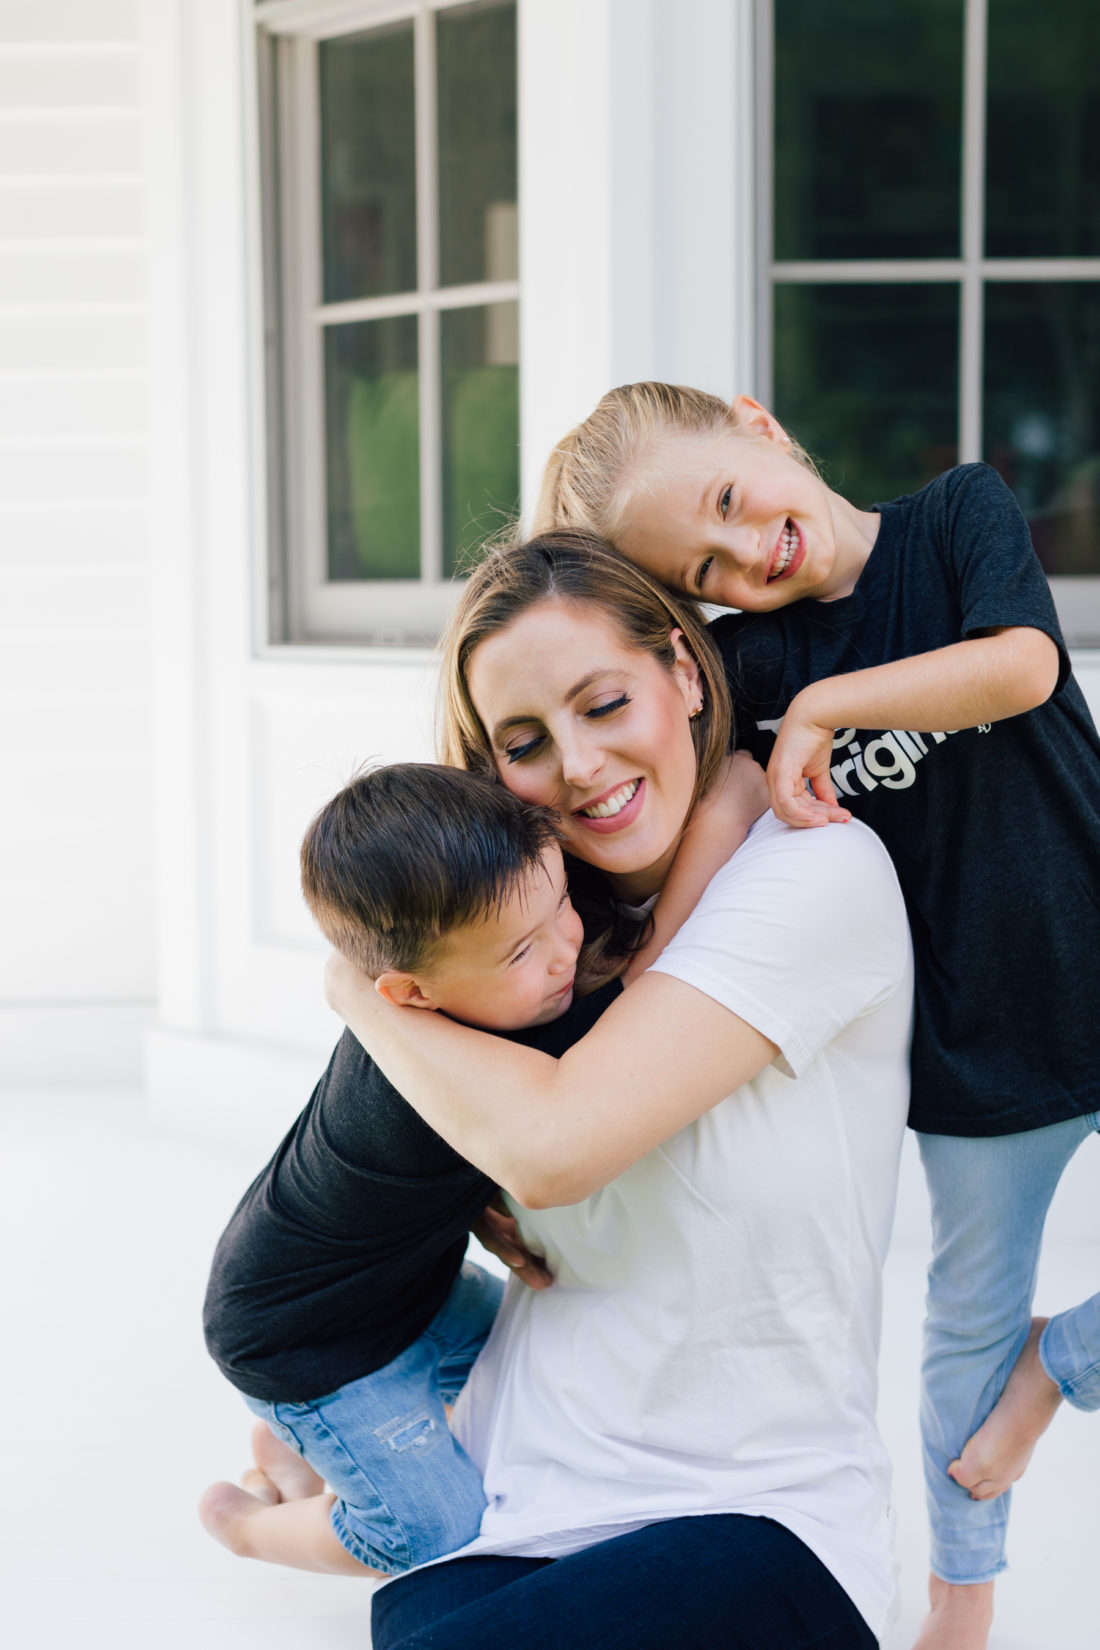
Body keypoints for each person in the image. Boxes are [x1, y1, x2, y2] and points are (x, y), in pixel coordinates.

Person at [533, 381, 1100, 1650]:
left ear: (758, 424)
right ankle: (961, 1602)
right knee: (961, 1322)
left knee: (1008, 1346)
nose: (747, 554)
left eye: (730, 502)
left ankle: (1059, 1365)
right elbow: (724, 804)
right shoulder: (757, 663)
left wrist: (835, 710)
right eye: (707, 569)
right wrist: (644, 982)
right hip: (971, 1052)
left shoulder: (955, 520)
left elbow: (1018, 668)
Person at [324, 533, 914, 1650]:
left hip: (759, 1522)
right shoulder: (528, 968)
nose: (580, 765)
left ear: (684, 675)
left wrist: (354, 993)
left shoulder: (814, 872)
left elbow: (554, 1150)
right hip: (506, 1513)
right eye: (524, 743)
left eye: (603, 703)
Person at [198, 756, 760, 1578]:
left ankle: (301, 1441)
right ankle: (251, 1521)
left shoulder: (489, 987)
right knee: (434, 1529)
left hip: (408, 1289)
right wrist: (734, 798)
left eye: (562, 900)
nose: (566, 948)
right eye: (520, 952)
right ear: (411, 996)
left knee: (559, 1353)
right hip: (307, 1341)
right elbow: (653, 974)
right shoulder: (479, 1054)